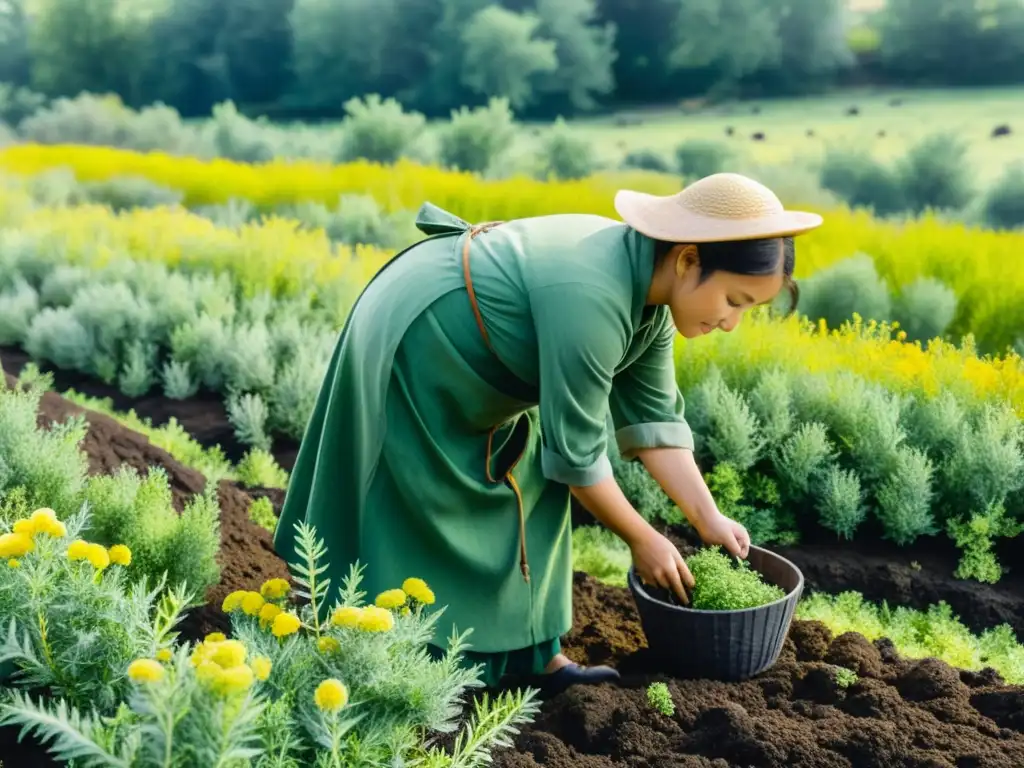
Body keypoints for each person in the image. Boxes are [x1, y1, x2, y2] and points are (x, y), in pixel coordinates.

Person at [272, 172, 823, 696]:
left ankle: (534, 658)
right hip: (420, 331)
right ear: (687, 259)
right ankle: (384, 653)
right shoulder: (593, 294)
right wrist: (642, 538)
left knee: (530, 480)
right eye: (734, 301)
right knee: (420, 493)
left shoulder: (651, 301)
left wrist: (708, 518)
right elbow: (578, 458)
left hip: (482, 353)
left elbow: (655, 424)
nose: (732, 323)